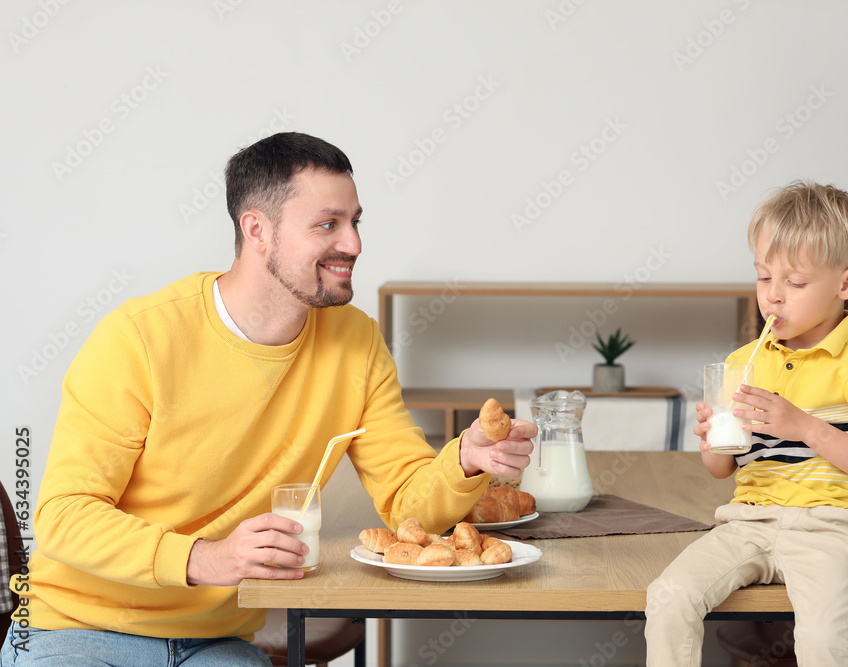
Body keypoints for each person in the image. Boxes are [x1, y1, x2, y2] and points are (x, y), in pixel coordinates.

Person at [2, 132, 535, 666]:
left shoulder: (356, 342)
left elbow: (406, 503)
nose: (353, 243)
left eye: (355, 221)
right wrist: (203, 558)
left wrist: (464, 460)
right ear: (257, 229)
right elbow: (64, 515)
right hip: (73, 627)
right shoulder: (138, 338)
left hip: (215, 642)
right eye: (328, 224)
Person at [644, 181, 848, 666]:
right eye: (764, 278)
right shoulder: (745, 362)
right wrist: (714, 441)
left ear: (847, 284)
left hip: (836, 526)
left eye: (795, 283)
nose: (774, 298)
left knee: (821, 637)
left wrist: (805, 426)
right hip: (749, 521)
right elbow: (723, 471)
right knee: (668, 596)